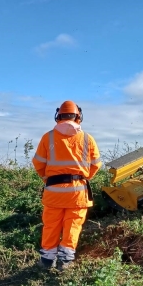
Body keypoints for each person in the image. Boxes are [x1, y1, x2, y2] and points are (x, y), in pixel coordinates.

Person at [32, 101, 102, 270]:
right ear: (78, 117)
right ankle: (65, 261)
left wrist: (49, 180)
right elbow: (96, 164)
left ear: (58, 116)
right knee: (73, 225)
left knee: (51, 225)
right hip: (78, 194)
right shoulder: (87, 138)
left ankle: (47, 260)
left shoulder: (47, 137)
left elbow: (38, 164)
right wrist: (82, 179)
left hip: (53, 193)